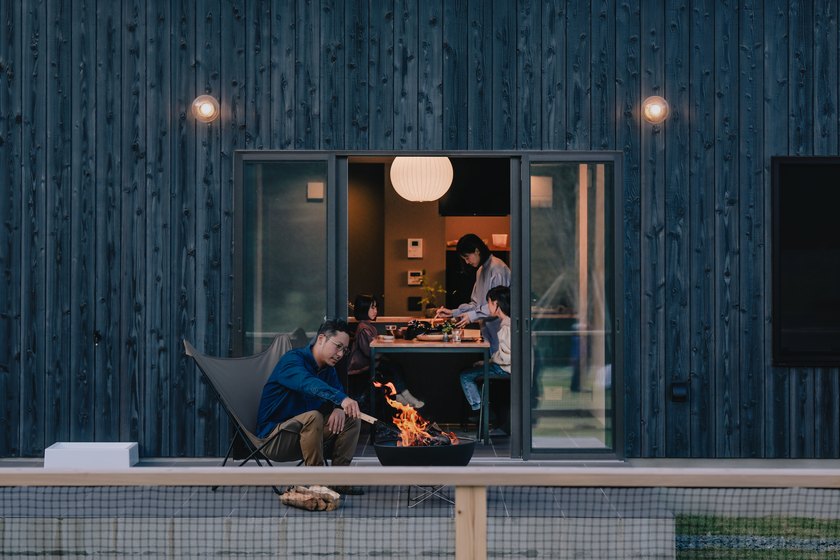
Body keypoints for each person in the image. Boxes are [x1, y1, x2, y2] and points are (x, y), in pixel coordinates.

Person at [256, 319, 362, 487]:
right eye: (338, 346)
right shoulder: (291, 361)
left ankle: (340, 482)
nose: (341, 354)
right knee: (314, 416)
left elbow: (338, 396)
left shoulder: (329, 370)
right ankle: (317, 483)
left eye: (345, 350)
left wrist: (338, 408)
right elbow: (307, 383)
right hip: (274, 439)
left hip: (308, 437)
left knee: (352, 417)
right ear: (321, 339)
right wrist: (341, 399)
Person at [435, 233, 511, 353]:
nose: (466, 262)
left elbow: (498, 306)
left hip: (501, 333)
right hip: (487, 332)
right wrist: (453, 312)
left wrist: (471, 316)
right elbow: (475, 304)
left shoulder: (497, 268)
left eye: (467, 257)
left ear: (477, 251)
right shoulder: (480, 271)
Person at [347, 294, 424, 408]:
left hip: (369, 364)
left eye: (376, 307)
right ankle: (403, 396)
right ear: (364, 309)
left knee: (394, 365)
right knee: (392, 366)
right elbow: (369, 352)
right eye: (372, 307)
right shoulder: (363, 328)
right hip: (360, 368)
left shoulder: (368, 326)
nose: (375, 311)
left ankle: (401, 395)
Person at [459, 286, 511, 417]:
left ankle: (481, 414)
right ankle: (482, 413)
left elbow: (506, 359)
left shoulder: (506, 325)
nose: (488, 307)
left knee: (465, 376)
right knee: (471, 369)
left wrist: (490, 360)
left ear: (496, 303)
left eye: (488, 303)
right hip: (505, 366)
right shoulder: (508, 322)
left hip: (505, 369)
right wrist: (487, 361)